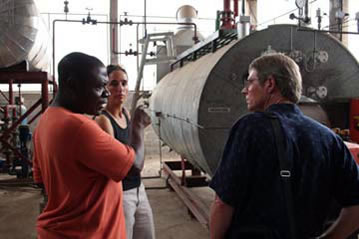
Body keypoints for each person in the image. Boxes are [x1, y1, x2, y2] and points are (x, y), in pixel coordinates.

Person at [209, 53, 359, 239]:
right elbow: (356, 204)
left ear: (270, 84)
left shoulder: (250, 128)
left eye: (250, 82)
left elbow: (223, 203)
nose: (244, 90)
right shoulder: (328, 138)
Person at [32, 52, 150, 239]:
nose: (106, 93)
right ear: (72, 84)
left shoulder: (45, 121)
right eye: (99, 87)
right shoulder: (79, 128)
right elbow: (134, 166)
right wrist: (138, 126)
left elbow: (40, 181)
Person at [96, 64, 155, 239]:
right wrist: (139, 127)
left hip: (139, 189)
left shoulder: (126, 115)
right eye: (114, 84)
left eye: (124, 83)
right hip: (121, 194)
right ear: (105, 88)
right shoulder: (103, 120)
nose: (120, 88)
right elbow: (128, 164)